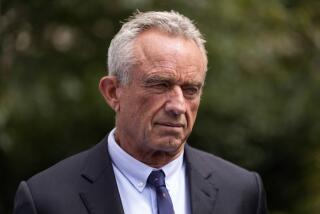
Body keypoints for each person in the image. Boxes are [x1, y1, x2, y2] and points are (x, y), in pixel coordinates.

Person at [13, 11, 268, 214]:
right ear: (113, 92)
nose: (178, 105)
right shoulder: (46, 200)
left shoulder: (241, 191)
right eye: (160, 85)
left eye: (191, 89)